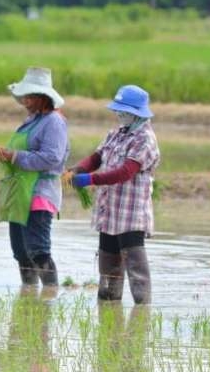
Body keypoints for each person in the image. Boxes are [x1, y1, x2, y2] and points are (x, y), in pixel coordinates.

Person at [65, 85, 161, 304]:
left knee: (135, 266)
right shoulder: (116, 133)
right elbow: (96, 157)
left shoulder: (145, 139)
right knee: (108, 265)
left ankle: (142, 309)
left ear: (137, 113)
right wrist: (77, 170)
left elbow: (125, 172)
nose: (120, 115)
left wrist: (90, 180)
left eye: (124, 112)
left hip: (130, 213)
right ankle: (108, 306)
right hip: (109, 210)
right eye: (118, 111)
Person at [0, 68, 69, 287]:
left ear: (44, 98)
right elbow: (21, 153)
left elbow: (52, 157)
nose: (25, 100)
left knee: (39, 251)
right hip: (19, 193)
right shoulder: (32, 120)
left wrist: (14, 155)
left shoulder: (54, 122)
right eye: (24, 95)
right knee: (21, 253)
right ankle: (29, 296)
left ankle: (50, 296)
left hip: (40, 193)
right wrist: (1, 152)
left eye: (30, 96)